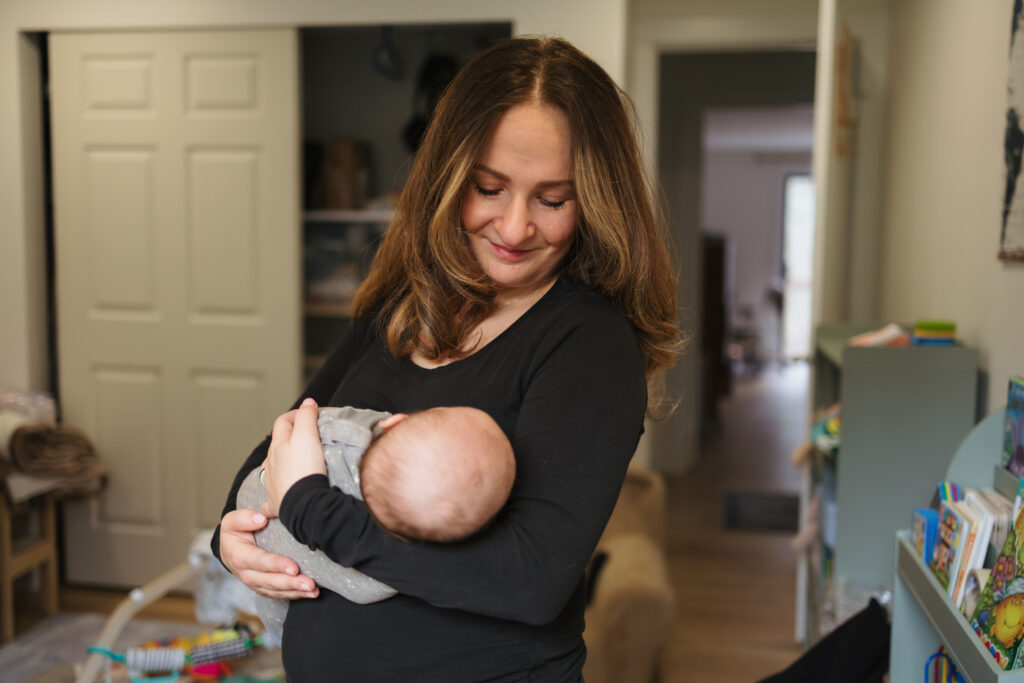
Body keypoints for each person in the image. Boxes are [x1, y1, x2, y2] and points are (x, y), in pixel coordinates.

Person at [214, 35, 680, 682]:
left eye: (552, 199)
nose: (515, 227)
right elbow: (286, 440)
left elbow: (528, 579)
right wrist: (231, 537)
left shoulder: (588, 343)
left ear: (595, 201)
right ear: (448, 175)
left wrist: (311, 512)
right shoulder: (403, 308)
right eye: (488, 187)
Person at [235, 405, 516, 645]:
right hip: (272, 570)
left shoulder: (346, 433)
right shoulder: (377, 582)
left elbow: (303, 417)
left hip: (249, 516)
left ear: (395, 421)